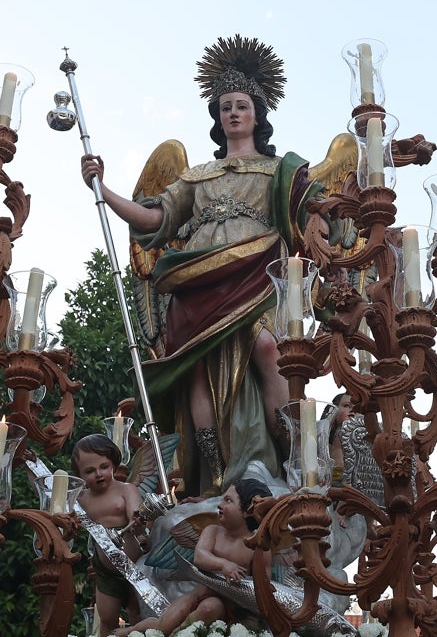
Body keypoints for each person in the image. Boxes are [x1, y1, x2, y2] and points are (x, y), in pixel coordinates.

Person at [81, 35, 322, 496]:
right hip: (196, 277)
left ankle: (292, 452)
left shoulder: (281, 171)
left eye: (241, 106)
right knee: (198, 368)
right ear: (217, 118)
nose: (232, 113)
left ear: (257, 115)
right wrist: (103, 189)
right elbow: (155, 219)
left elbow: (311, 217)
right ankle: (210, 475)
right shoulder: (197, 176)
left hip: (257, 274)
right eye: (224, 107)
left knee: (271, 350)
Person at [112, 478, 274, 636]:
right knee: (163, 624)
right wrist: (224, 565)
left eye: (228, 501)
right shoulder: (213, 532)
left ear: (248, 511)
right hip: (198, 594)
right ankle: (129, 632)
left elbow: (264, 585)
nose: (219, 504)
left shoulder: (258, 546)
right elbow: (200, 557)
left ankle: (179, 633)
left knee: (211, 607)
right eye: (222, 499)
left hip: (233, 607)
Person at [73, 434, 145, 635]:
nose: (98, 473)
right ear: (80, 474)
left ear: (113, 464)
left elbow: (135, 515)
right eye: (89, 471)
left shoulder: (126, 489)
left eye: (103, 466)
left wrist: (137, 520)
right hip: (105, 571)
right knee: (106, 619)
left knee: (138, 614)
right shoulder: (82, 499)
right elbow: (52, 493)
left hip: (135, 567)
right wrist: (31, 467)